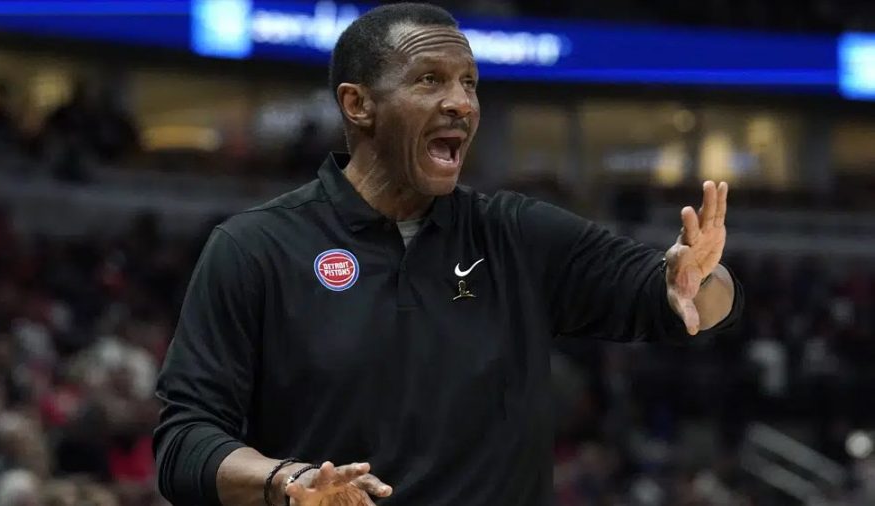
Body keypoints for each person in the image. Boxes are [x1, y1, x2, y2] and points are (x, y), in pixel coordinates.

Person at [153, 3, 744, 506]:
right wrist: (287, 481)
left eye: (469, 83)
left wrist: (696, 280)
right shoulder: (254, 248)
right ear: (358, 105)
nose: (461, 102)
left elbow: (685, 296)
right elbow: (184, 443)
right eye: (430, 80)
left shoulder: (518, 234)